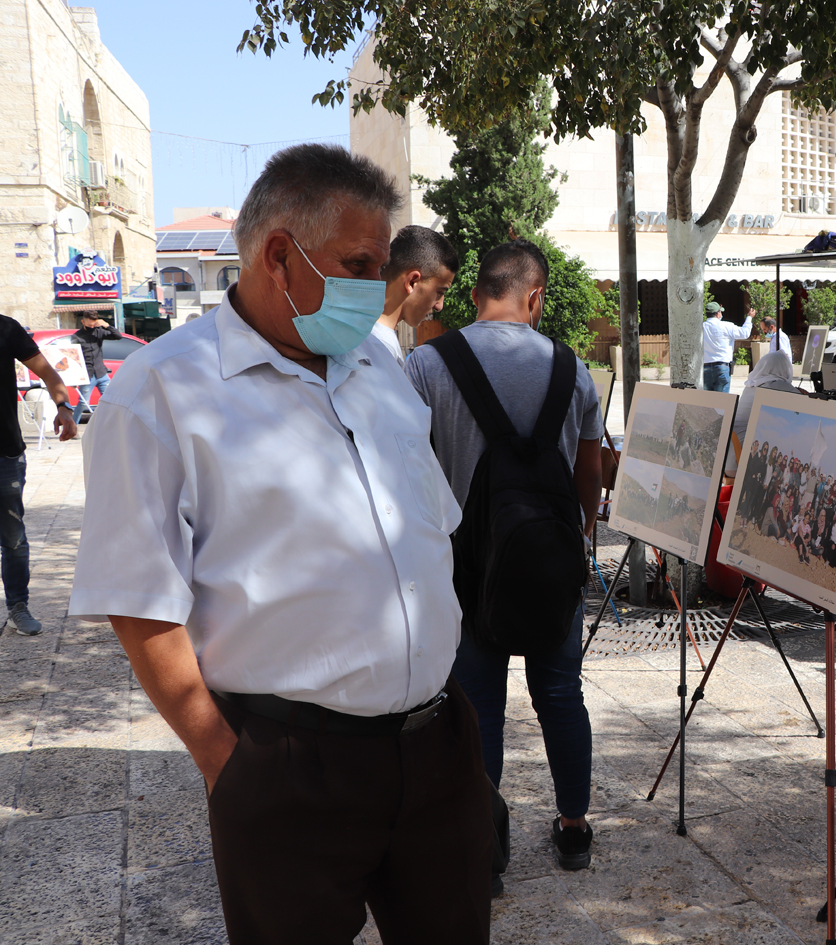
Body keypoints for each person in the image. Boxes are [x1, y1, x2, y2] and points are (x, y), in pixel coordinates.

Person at [67, 144, 493, 943]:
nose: (374, 286)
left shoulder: (375, 366)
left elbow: (427, 529)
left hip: (437, 749)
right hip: (291, 769)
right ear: (277, 256)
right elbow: (139, 601)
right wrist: (227, 763)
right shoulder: (161, 392)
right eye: (357, 264)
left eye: (380, 265)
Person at [404, 238, 603, 873]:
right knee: (560, 693)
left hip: (465, 569)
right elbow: (589, 477)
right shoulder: (575, 371)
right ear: (535, 297)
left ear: (474, 294)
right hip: (552, 562)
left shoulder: (426, 366)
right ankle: (574, 829)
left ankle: (484, 850)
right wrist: (578, 538)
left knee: (478, 705)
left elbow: (409, 469)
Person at [2, 317, 77, 635]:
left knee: (13, 538)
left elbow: (47, 372)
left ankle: (18, 606)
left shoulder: (6, 329)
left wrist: (64, 407)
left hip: (5, 453)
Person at [373, 224, 459, 361]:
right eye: (439, 292)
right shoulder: (376, 348)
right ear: (412, 282)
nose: (439, 306)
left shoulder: (376, 341)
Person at [727, 351, 802, 475]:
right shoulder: (776, 385)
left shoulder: (752, 385)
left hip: (731, 457)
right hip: (742, 462)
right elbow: (805, 404)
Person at [71, 311, 123, 420]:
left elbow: (118, 336)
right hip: (87, 376)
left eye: (93, 325)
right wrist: (74, 378)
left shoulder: (99, 331)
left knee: (111, 401)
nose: (92, 327)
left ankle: (112, 425)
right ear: (83, 322)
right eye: (89, 325)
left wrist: (107, 325)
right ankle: (73, 426)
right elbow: (73, 358)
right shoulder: (76, 337)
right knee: (83, 403)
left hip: (101, 373)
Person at [702, 301, 753, 392]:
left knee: (707, 399)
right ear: (718, 314)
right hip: (722, 366)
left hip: (705, 367)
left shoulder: (701, 327)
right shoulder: (727, 326)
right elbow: (745, 333)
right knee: (722, 399)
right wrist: (749, 317)